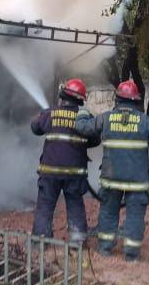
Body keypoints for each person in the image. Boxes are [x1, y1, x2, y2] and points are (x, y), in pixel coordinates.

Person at [75, 80, 149, 261]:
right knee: (135, 215)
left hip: (112, 179)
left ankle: (105, 248)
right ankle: (131, 254)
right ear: (135, 101)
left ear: (117, 99)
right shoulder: (145, 122)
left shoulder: (106, 118)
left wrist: (82, 113)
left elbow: (83, 128)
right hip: (138, 180)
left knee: (108, 212)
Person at [31, 78, 100, 243]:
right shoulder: (85, 118)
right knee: (75, 204)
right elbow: (95, 140)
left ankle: (40, 241)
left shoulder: (50, 113)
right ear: (80, 100)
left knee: (45, 206)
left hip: (50, 172)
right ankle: (77, 240)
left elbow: (35, 128)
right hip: (74, 173)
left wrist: (40, 115)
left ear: (63, 96)